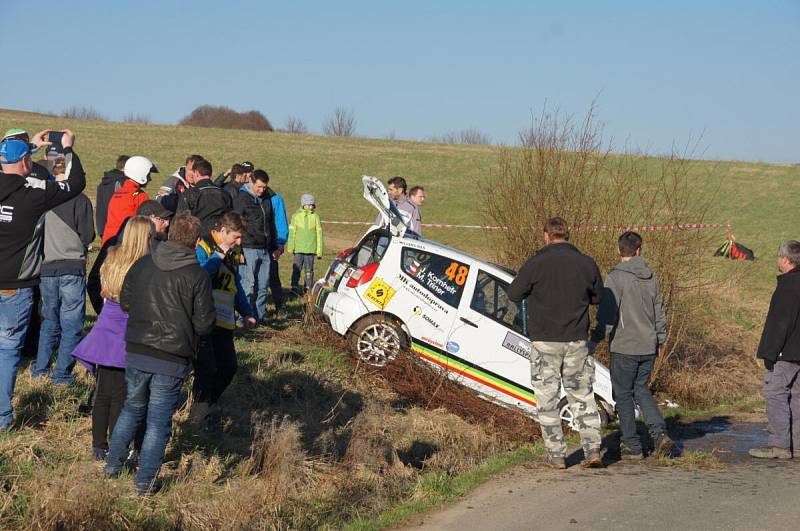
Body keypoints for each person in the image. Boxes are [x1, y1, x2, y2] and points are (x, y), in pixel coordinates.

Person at [105, 215, 215, 495]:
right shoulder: (197, 276)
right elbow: (204, 323)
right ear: (195, 242)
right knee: (157, 422)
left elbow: (126, 301)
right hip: (172, 356)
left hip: (138, 347)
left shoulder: (143, 263)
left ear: (170, 234)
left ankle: (113, 467)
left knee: (131, 408)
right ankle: (144, 483)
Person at [0, 129, 86, 431]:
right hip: (16, 286)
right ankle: (2, 418)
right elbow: (73, 184)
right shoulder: (33, 193)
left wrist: (28, 149)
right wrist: (67, 149)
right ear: (25, 161)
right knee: (7, 352)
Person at [508, 217, 604, 469]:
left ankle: (557, 455)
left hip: (545, 342)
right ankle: (592, 448)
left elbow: (514, 293)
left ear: (546, 236)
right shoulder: (586, 263)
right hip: (576, 341)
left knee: (547, 399)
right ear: (568, 235)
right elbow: (598, 297)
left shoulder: (536, 263)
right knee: (582, 395)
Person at [73, 216, 155, 461]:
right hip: (125, 331)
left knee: (103, 392)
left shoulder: (113, 256)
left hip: (105, 327)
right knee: (121, 393)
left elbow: (102, 288)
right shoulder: (144, 264)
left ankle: (99, 445)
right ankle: (118, 443)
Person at [589, 232, 672, 460]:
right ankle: (659, 434)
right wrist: (660, 339)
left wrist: (595, 339)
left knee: (623, 394)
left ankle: (632, 445)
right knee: (641, 389)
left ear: (619, 251)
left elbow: (607, 315)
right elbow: (659, 311)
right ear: (639, 250)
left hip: (624, 346)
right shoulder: (651, 277)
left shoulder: (615, 278)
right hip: (648, 345)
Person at [31, 157, 96, 385]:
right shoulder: (79, 200)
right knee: (72, 323)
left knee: (49, 321)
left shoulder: (43, 199)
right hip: (72, 267)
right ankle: (62, 374)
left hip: (46, 268)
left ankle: (40, 369)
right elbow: (88, 235)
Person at [191, 212, 257, 422]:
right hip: (205, 320)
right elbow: (200, 277)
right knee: (206, 369)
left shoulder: (231, 252)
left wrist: (246, 312)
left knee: (228, 368)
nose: (239, 242)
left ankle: (208, 405)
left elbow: (233, 283)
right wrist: (218, 254)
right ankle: (197, 416)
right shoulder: (202, 247)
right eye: (236, 237)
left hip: (225, 321)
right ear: (222, 231)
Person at [749, 240, 800, 460]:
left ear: (786, 260)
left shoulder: (788, 286)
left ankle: (779, 445)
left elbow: (780, 323)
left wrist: (769, 352)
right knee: (798, 397)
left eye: (779, 257)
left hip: (785, 352)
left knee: (775, 393)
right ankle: (797, 445)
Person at [87, 200, 171, 315]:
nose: (167, 224)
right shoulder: (114, 245)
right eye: (162, 219)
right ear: (149, 220)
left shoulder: (160, 246)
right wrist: (102, 310)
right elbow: (94, 281)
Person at [234, 169, 279, 324]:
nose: (262, 190)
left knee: (262, 286)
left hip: (265, 249)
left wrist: (275, 246)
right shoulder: (241, 199)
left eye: (264, 187)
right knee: (247, 285)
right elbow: (236, 225)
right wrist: (238, 250)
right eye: (259, 187)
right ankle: (242, 319)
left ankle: (258, 317)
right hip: (247, 248)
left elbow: (270, 223)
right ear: (251, 182)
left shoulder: (267, 199)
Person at [102, 155, 157, 245]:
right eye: (148, 175)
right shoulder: (140, 196)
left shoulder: (117, 193)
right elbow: (146, 224)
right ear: (141, 174)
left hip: (108, 241)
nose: (150, 179)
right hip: (127, 242)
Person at [177, 158, 232, 232]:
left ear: (196, 173)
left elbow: (181, 221)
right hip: (219, 237)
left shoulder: (189, 194)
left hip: (197, 238)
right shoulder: (225, 194)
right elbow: (231, 220)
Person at [288, 194, 323, 295]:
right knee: (296, 268)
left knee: (309, 270)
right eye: (308, 204)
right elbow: (292, 233)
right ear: (303, 204)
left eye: (312, 205)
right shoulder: (296, 216)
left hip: (310, 250)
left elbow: (319, 234)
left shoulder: (316, 217)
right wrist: (291, 247)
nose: (310, 207)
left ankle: (308, 288)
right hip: (298, 249)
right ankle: (294, 287)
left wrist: (319, 251)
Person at [266, 174, 289, 316]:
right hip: (252, 245)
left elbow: (281, 223)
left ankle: (280, 307)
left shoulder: (275, 198)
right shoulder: (246, 195)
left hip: (271, 245)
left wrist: (280, 245)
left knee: (273, 277)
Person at [95, 155, 129, 241]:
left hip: (106, 230)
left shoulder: (103, 184)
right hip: (121, 230)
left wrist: (101, 230)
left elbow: (99, 209)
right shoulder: (125, 183)